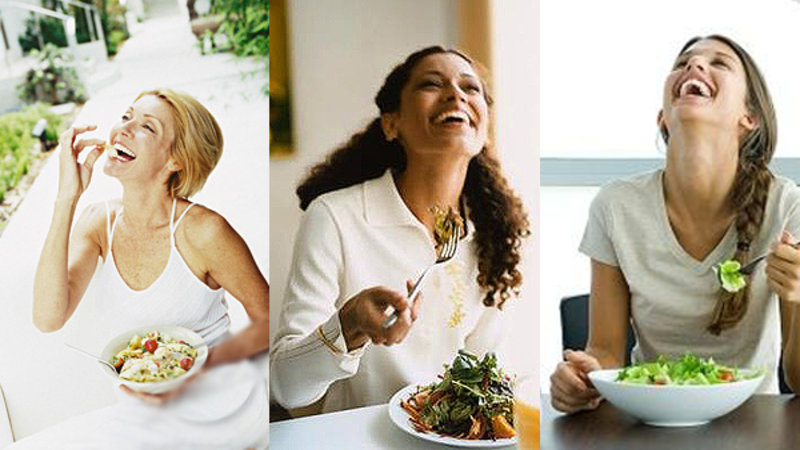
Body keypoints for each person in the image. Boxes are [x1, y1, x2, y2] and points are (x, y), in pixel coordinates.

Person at [271, 46, 529, 413]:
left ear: (484, 127)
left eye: (470, 88)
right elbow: (287, 388)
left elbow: (481, 369)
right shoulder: (333, 217)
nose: (456, 94)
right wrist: (350, 324)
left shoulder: (494, 235)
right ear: (392, 123)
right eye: (431, 83)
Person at [550, 35, 800, 414]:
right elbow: (605, 352)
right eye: (684, 61)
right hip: (648, 424)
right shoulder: (615, 207)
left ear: (749, 118)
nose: (694, 66)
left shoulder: (786, 206)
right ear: (663, 117)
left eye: (719, 63)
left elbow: (797, 381)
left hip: (755, 428)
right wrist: (584, 378)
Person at [12, 89, 269, 448]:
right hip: (143, 424)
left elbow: (270, 321)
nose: (123, 130)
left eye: (146, 127)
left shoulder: (205, 232)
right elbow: (48, 317)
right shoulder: (98, 222)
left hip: (218, 409)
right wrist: (67, 197)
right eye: (126, 116)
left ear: (175, 161)